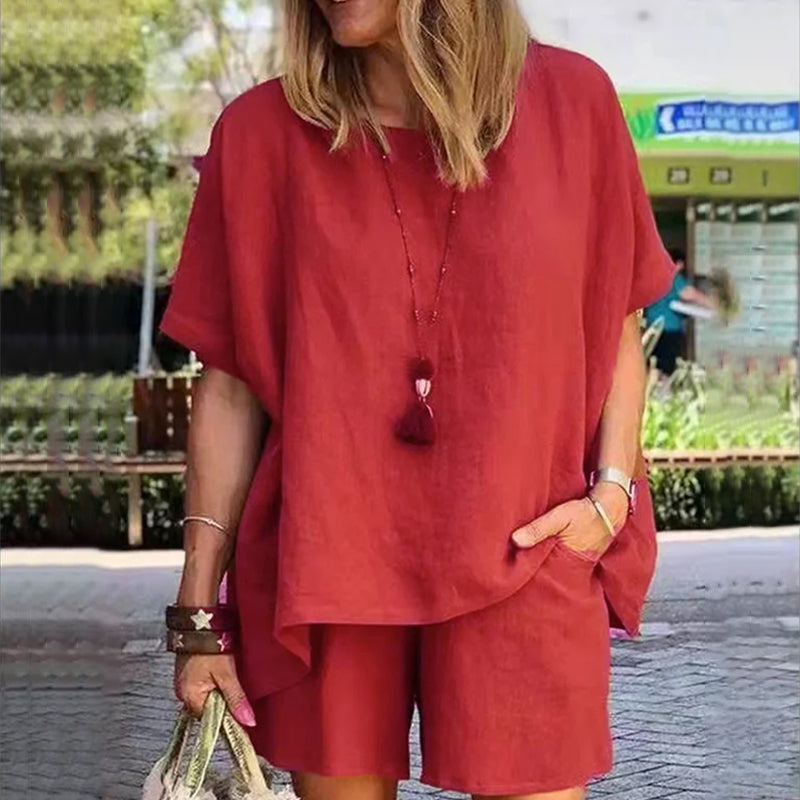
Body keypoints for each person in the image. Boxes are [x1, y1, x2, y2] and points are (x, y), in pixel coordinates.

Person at [159, 2, 678, 799]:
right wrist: (199, 617)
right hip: (329, 561)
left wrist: (609, 498)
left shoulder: (574, 107)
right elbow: (230, 385)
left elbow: (615, 322)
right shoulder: (262, 134)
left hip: (529, 544)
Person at [644, 247, 715, 376]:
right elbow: (688, 294)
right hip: (668, 330)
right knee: (666, 368)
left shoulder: (654, 275)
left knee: (653, 365)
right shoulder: (673, 277)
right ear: (679, 264)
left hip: (652, 327)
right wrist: (711, 303)